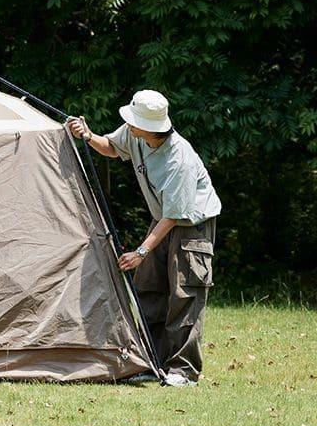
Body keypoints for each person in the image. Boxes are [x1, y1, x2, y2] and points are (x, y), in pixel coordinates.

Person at [67, 90, 221, 387]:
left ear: (150, 127)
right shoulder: (135, 134)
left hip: (190, 224)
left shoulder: (180, 160)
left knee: (184, 293)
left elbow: (174, 215)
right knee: (148, 287)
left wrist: (141, 251)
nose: (128, 124)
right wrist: (87, 135)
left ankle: (184, 371)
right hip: (162, 218)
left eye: (133, 121)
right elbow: (111, 148)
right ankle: (154, 362)